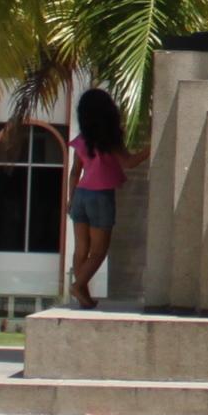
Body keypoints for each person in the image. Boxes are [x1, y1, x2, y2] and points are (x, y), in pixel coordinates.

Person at [67, 88, 126, 309]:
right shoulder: (110, 139)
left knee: (81, 250)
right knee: (99, 251)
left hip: (81, 195)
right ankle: (78, 285)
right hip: (101, 196)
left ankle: (83, 295)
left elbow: (75, 172)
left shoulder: (81, 140)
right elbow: (128, 162)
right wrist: (150, 150)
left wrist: (70, 199)